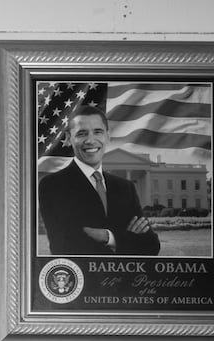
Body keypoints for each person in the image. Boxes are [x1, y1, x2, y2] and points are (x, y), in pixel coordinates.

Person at [38, 103, 160, 257]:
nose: (91, 140)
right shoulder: (53, 185)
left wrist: (107, 237)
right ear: (69, 138)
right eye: (82, 133)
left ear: (107, 136)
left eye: (98, 132)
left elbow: (151, 246)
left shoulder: (124, 187)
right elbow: (64, 247)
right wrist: (128, 238)